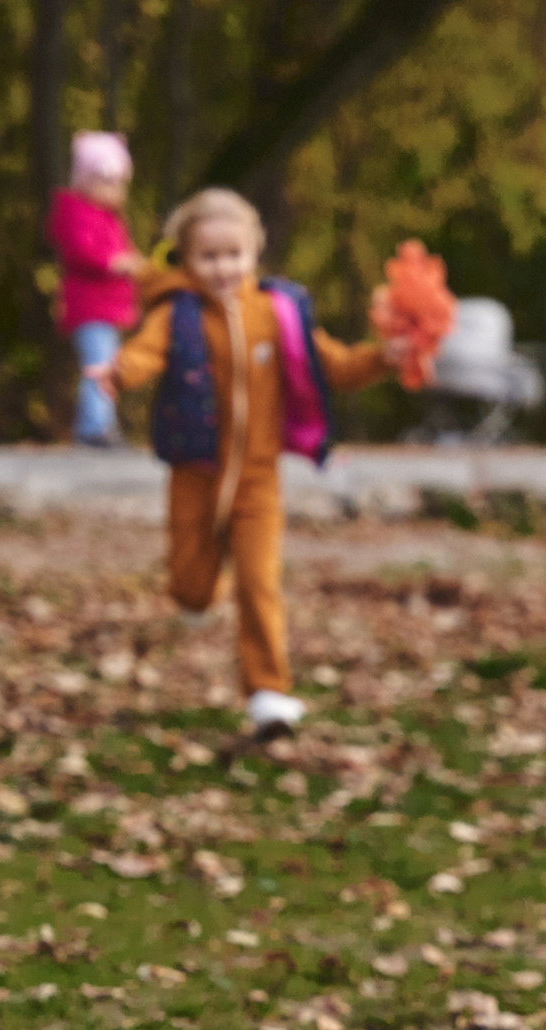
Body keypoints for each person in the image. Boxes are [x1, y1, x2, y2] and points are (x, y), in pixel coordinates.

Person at [87, 188, 404, 741]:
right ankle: (204, 589)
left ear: (254, 253)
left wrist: (383, 357)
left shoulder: (278, 314)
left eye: (234, 254)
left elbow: (335, 365)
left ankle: (269, 695)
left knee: (260, 583)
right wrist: (118, 373)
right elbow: (145, 353)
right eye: (209, 257)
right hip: (195, 473)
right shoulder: (177, 314)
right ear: (186, 260)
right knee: (190, 587)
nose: (223, 267)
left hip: (259, 479)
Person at [50, 131, 145, 447]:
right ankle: (93, 428)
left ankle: (101, 424)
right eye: (108, 183)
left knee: (105, 364)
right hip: (90, 307)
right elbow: (82, 251)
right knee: (99, 366)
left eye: (119, 184)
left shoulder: (107, 217)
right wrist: (116, 262)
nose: (116, 191)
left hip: (106, 307)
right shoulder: (77, 212)